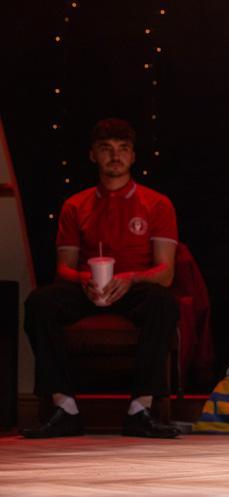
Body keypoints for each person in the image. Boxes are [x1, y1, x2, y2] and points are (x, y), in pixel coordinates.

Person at [22, 118, 180, 439]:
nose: (115, 156)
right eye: (106, 149)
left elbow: (165, 272)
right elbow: (62, 268)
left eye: (122, 149)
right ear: (93, 155)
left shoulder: (157, 204)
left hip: (133, 289)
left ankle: (141, 408)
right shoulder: (75, 205)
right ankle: (64, 406)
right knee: (40, 302)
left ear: (133, 156)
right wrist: (83, 280)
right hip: (87, 289)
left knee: (163, 302)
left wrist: (130, 279)